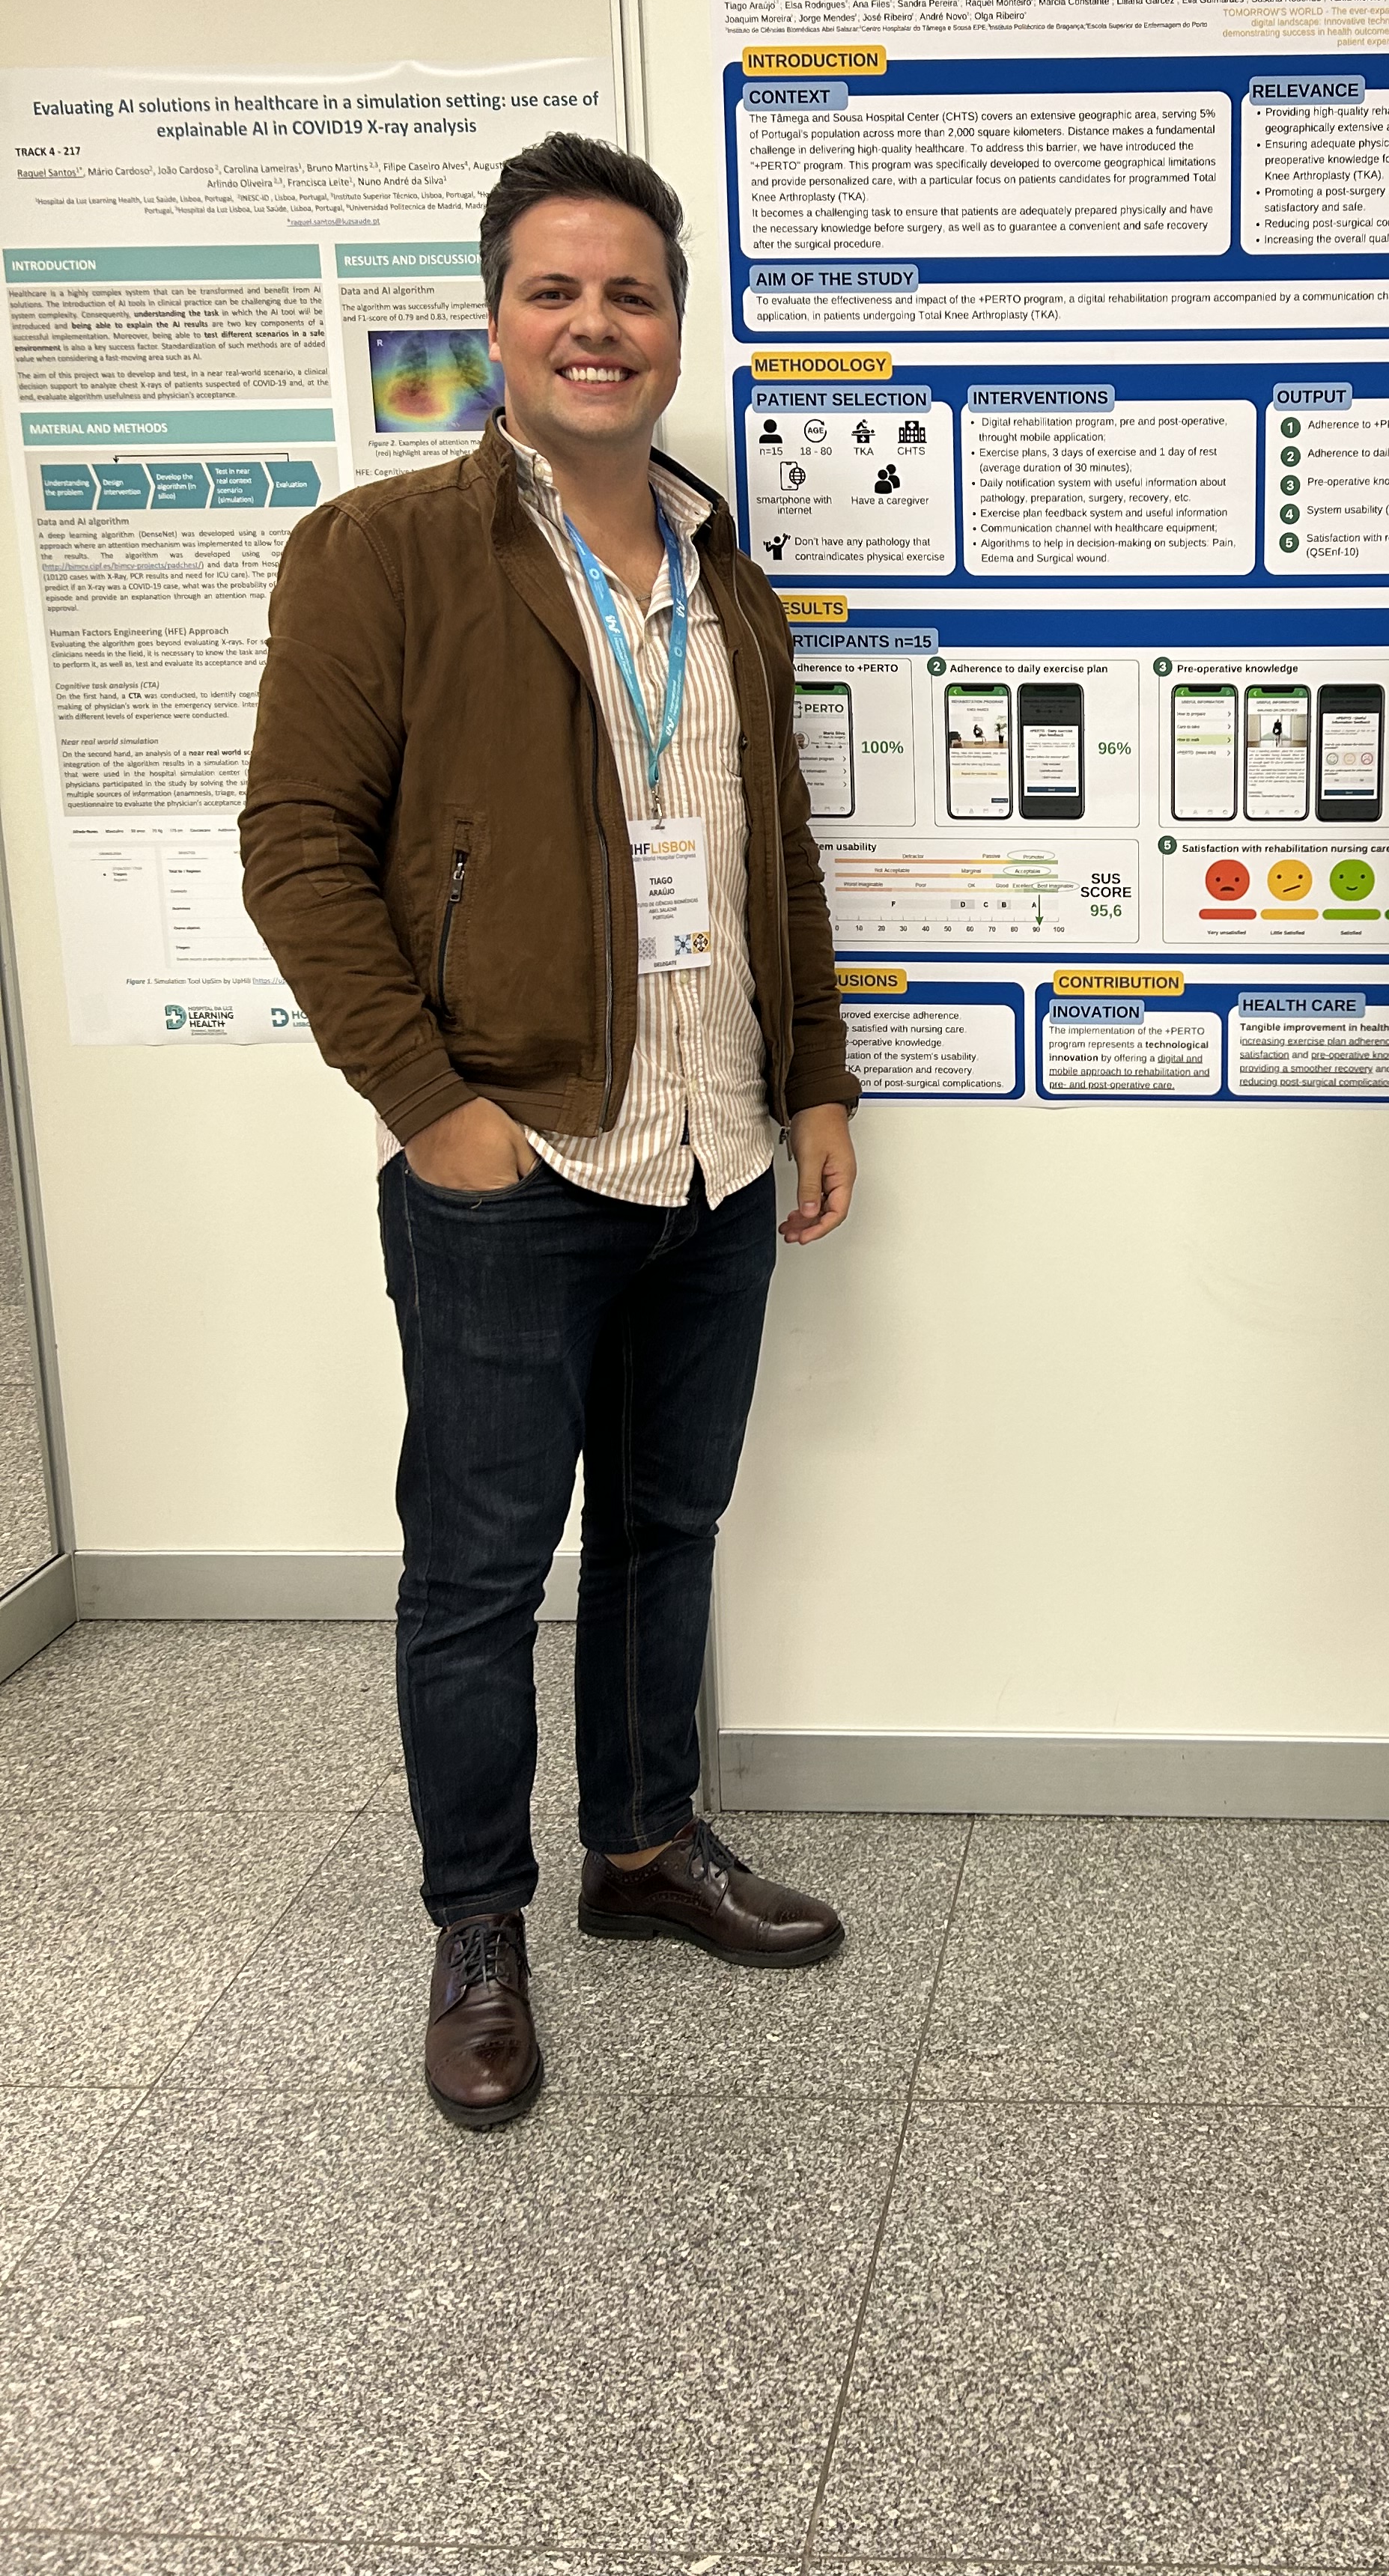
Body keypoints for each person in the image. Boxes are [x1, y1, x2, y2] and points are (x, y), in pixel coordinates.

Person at [242, 132, 860, 2133]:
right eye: (555, 292)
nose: (599, 326)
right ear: (497, 322)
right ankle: (476, 1925)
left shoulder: (721, 570)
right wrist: (430, 1109)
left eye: (633, 294)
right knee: (482, 1565)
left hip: (714, 1149)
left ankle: (643, 1846)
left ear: (675, 325)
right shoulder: (386, 554)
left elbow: (774, 856)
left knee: (669, 1528)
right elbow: (295, 852)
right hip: (517, 1162)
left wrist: (816, 1078)